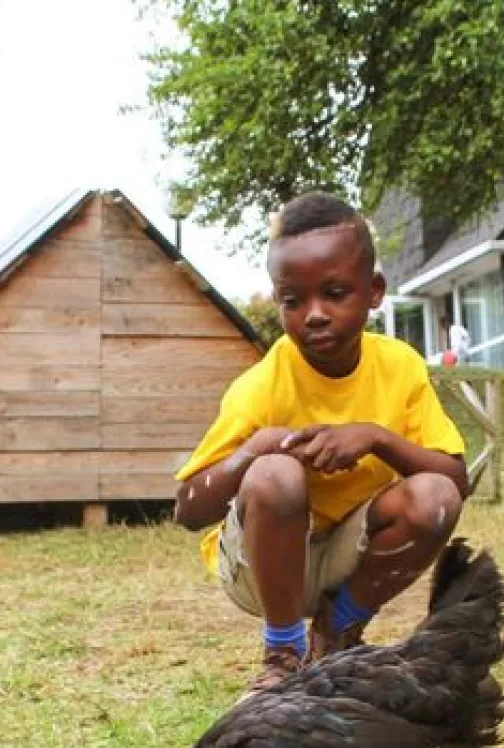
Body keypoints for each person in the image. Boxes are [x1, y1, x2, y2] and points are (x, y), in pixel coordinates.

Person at [174, 191, 470, 693]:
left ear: (374, 290)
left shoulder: (398, 367)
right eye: (294, 300)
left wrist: (376, 438)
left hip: (344, 560)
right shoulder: (263, 385)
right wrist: (255, 449)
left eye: (334, 293)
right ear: (278, 301)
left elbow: (457, 480)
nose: (314, 314)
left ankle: (336, 632)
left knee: (434, 497)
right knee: (275, 474)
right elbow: (188, 510)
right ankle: (283, 652)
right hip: (258, 567)